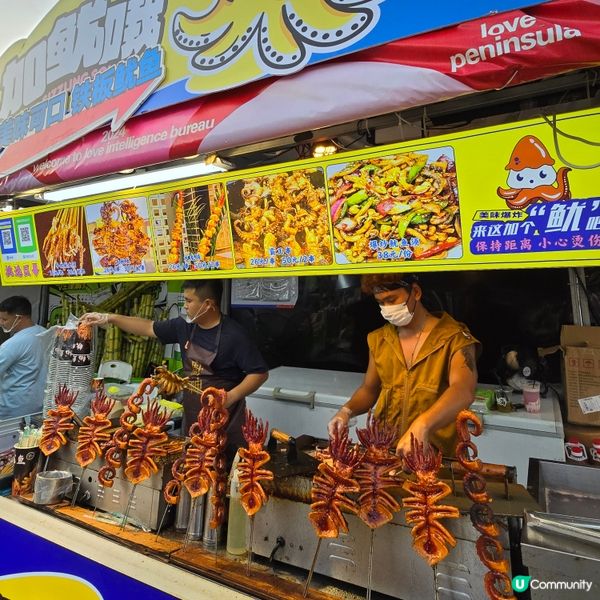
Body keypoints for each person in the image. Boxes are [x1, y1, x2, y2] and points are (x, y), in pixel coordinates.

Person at [81, 280, 268, 461]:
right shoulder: (184, 326)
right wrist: (110, 318)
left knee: (222, 474)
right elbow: (147, 327)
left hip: (225, 422)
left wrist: (231, 397)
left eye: (189, 301)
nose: (185, 306)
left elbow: (259, 373)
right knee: (194, 470)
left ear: (208, 304)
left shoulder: (234, 335)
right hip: (193, 418)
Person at [328, 273, 479, 459]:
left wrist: (423, 424)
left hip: (436, 456)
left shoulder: (454, 338)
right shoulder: (379, 340)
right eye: (380, 302)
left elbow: (463, 390)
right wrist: (346, 411)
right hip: (386, 453)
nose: (387, 308)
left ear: (415, 292)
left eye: (392, 299)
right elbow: (369, 389)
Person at [0, 296, 48, 419]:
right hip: (40, 406)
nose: (1, 323)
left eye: (4, 319)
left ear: (19, 318)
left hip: (13, 409)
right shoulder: (46, 333)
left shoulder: (12, 344)